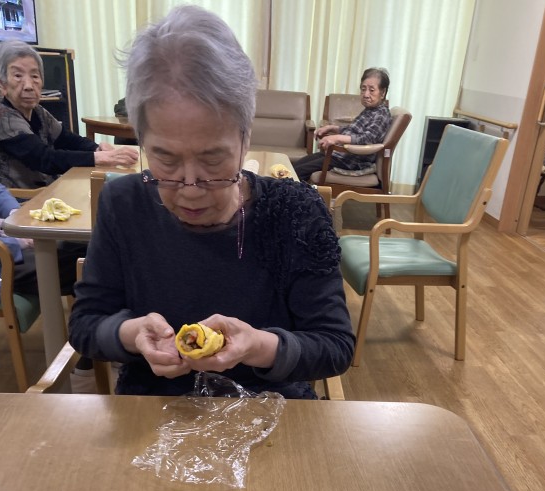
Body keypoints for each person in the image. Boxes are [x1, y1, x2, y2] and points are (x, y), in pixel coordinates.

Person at [68, 4, 354, 399]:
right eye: (165, 158)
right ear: (140, 139)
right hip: (151, 413)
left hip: (271, 411)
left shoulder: (296, 212)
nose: (189, 188)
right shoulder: (123, 203)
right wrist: (131, 334)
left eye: (213, 158)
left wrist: (258, 346)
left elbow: (335, 346)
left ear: (245, 138)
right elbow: (85, 324)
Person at [0, 40, 139, 189]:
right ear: (3, 85)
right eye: (18, 76)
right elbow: (43, 158)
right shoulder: (1, 115)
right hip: (18, 199)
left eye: (35, 76)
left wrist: (97, 148)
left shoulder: (38, 111)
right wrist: (98, 158)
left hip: (46, 189)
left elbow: (67, 139)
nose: (29, 86)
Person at [0, 170, 75, 304]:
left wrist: (15, 214)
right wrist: (22, 242)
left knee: (82, 248)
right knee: (81, 265)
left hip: (5, 238)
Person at [294, 68, 392, 182]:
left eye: (371, 90)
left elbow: (368, 139)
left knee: (298, 172)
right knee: (294, 167)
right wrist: (332, 128)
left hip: (351, 161)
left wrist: (336, 138)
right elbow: (353, 130)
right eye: (363, 89)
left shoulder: (381, 114)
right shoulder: (370, 110)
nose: (366, 94)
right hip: (340, 155)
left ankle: (293, 192)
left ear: (382, 93)